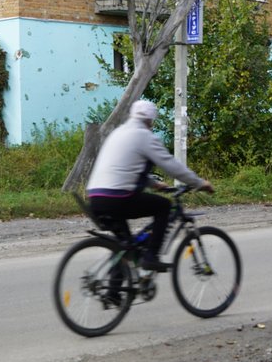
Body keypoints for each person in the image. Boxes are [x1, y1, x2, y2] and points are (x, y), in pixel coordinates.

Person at [86, 99, 213, 271]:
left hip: (95, 198)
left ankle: (114, 294)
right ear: (150, 120)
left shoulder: (118, 132)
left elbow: (123, 169)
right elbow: (171, 166)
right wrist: (199, 183)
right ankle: (152, 256)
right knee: (164, 206)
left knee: (126, 247)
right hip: (117, 197)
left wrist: (153, 184)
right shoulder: (144, 136)